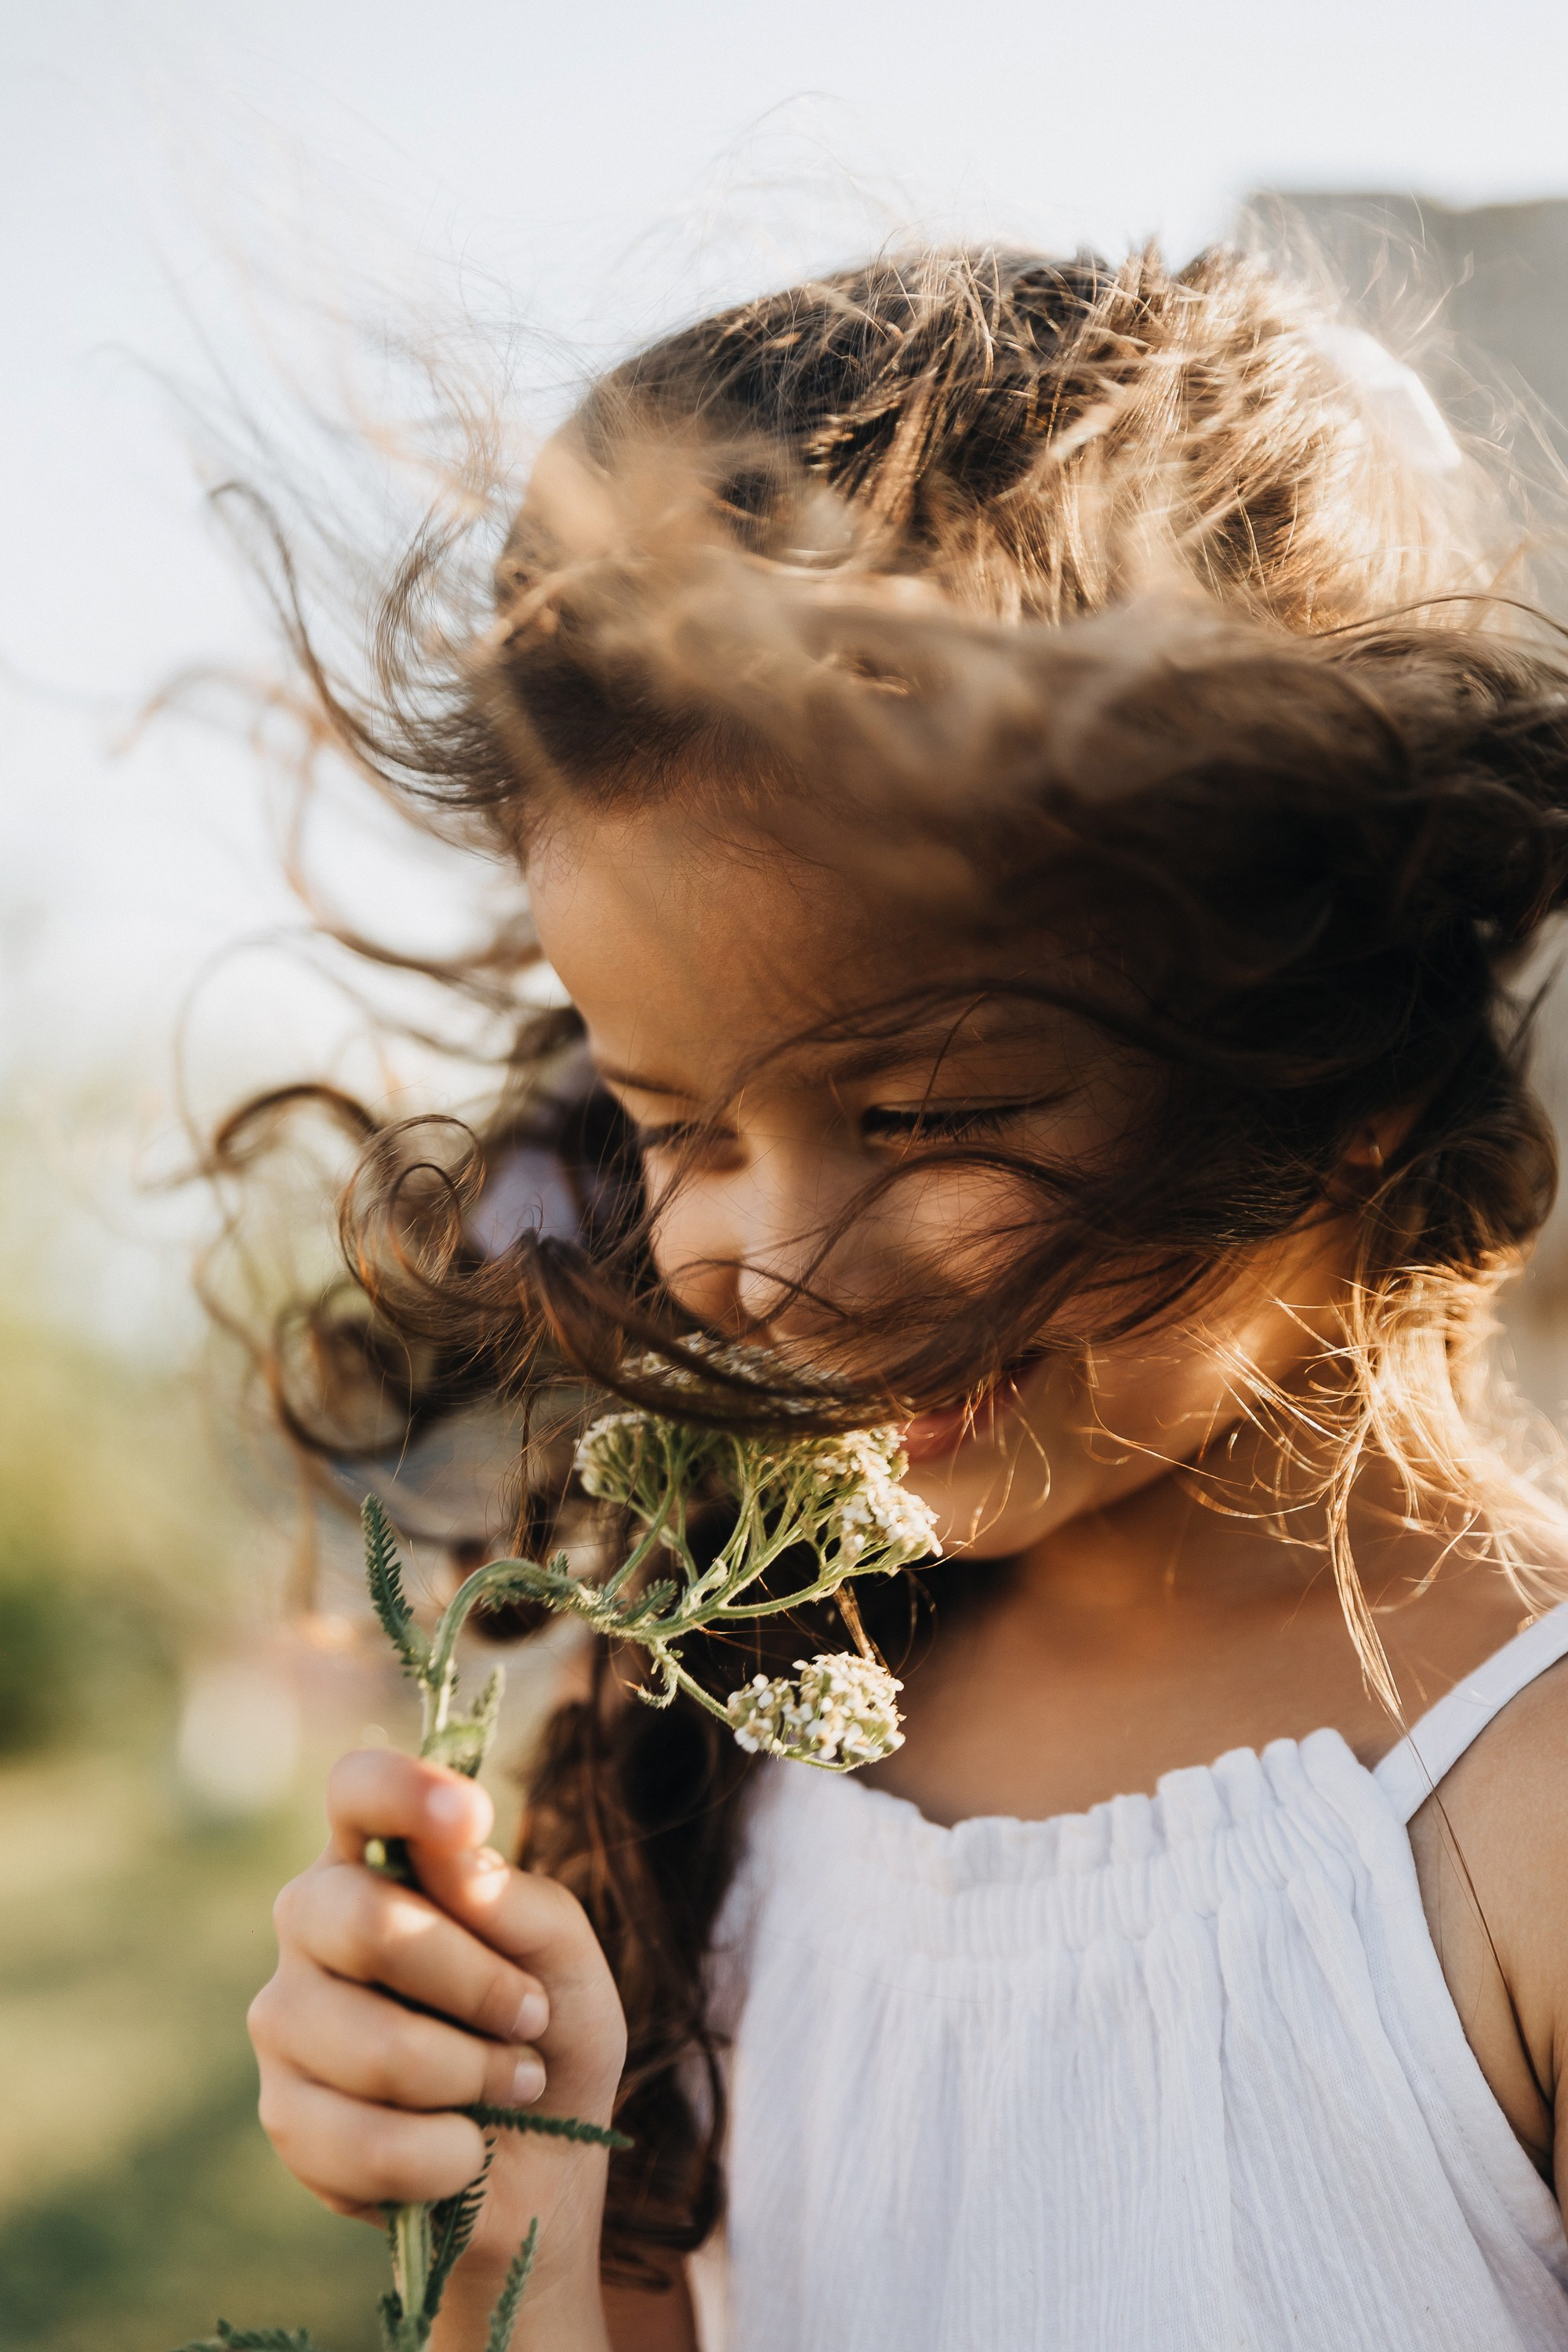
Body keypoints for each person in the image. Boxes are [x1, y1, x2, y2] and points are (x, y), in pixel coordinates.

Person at [240, 245, 1568, 2348]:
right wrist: (516, 2227)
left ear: (1340, 1052)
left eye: (930, 1114)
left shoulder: (1522, 1805)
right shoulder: (694, 1743)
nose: (770, 1266)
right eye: (679, 1125)